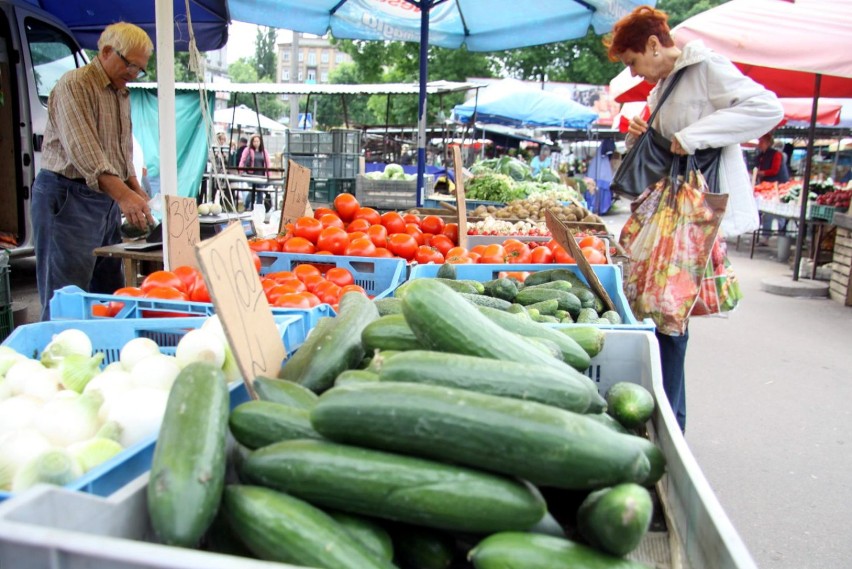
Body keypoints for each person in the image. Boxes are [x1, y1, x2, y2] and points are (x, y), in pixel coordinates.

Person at [606, 5, 783, 431]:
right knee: (655, 308)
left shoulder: (706, 68)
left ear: (653, 44)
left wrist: (694, 136)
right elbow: (667, 144)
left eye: (633, 62)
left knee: (670, 314)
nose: (635, 73)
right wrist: (646, 133)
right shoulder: (663, 83)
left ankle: (673, 424)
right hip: (668, 208)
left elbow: (766, 108)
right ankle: (664, 415)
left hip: (692, 212)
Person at [31, 22, 155, 321]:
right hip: (67, 197)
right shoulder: (75, 84)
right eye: (130, 66)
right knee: (67, 298)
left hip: (104, 200)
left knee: (108, 296)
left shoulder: (121, 93)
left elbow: (122, 151)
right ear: (107, 51)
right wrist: (124, 195)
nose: (134, 74)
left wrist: (136, 190)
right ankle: (57, 356)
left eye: (140, 69)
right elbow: (84, 151)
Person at [754, 132, 791, 243]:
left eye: (760, 142)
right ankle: (766, 235)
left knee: (778, 211)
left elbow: (774, 170)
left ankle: (781, 234)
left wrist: (761, 173)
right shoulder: (761, 156)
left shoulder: (776, 155)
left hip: (778, 186)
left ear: (766, 142)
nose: (759, 144)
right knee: (767, 211)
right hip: (766, 186)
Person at [239, 134, 270, 210]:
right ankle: (247, 206)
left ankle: (258, 209)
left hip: (261, 174)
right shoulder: (248, 150)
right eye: (254, 141)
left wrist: (268, 174)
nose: (256, 143)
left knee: (260, 192)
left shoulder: (264, 151)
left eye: (258, 141)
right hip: (251, 174)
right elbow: (242, 160)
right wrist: (241, 170)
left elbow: (268, 163)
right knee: (251, 191)